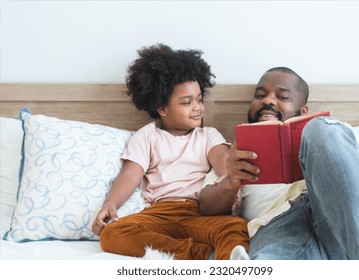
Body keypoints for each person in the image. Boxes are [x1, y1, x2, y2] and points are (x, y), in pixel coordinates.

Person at [200, 67, 359, 260]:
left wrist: (322, 168)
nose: (268, 100)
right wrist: (231, 180)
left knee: (320, 128)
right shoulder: (234, 157)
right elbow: (206, 207)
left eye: (282, 96)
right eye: (260, 95)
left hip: (351, 218)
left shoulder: (338, 136)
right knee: (267, 257)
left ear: (303, 110)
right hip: (284, 225)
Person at [91, 43, 249, 260]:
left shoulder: (208, 135)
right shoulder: (147, 135)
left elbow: (223, 160)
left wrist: (229, 180)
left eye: (199, 99)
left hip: (199, 213)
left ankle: (227, 266)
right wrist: (110, 204)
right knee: (113, 233)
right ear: (162, 109)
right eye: (187, 102)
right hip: (159, 214)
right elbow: (130, 174)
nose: (198, 107)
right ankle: (196, 255)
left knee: (235, 227)